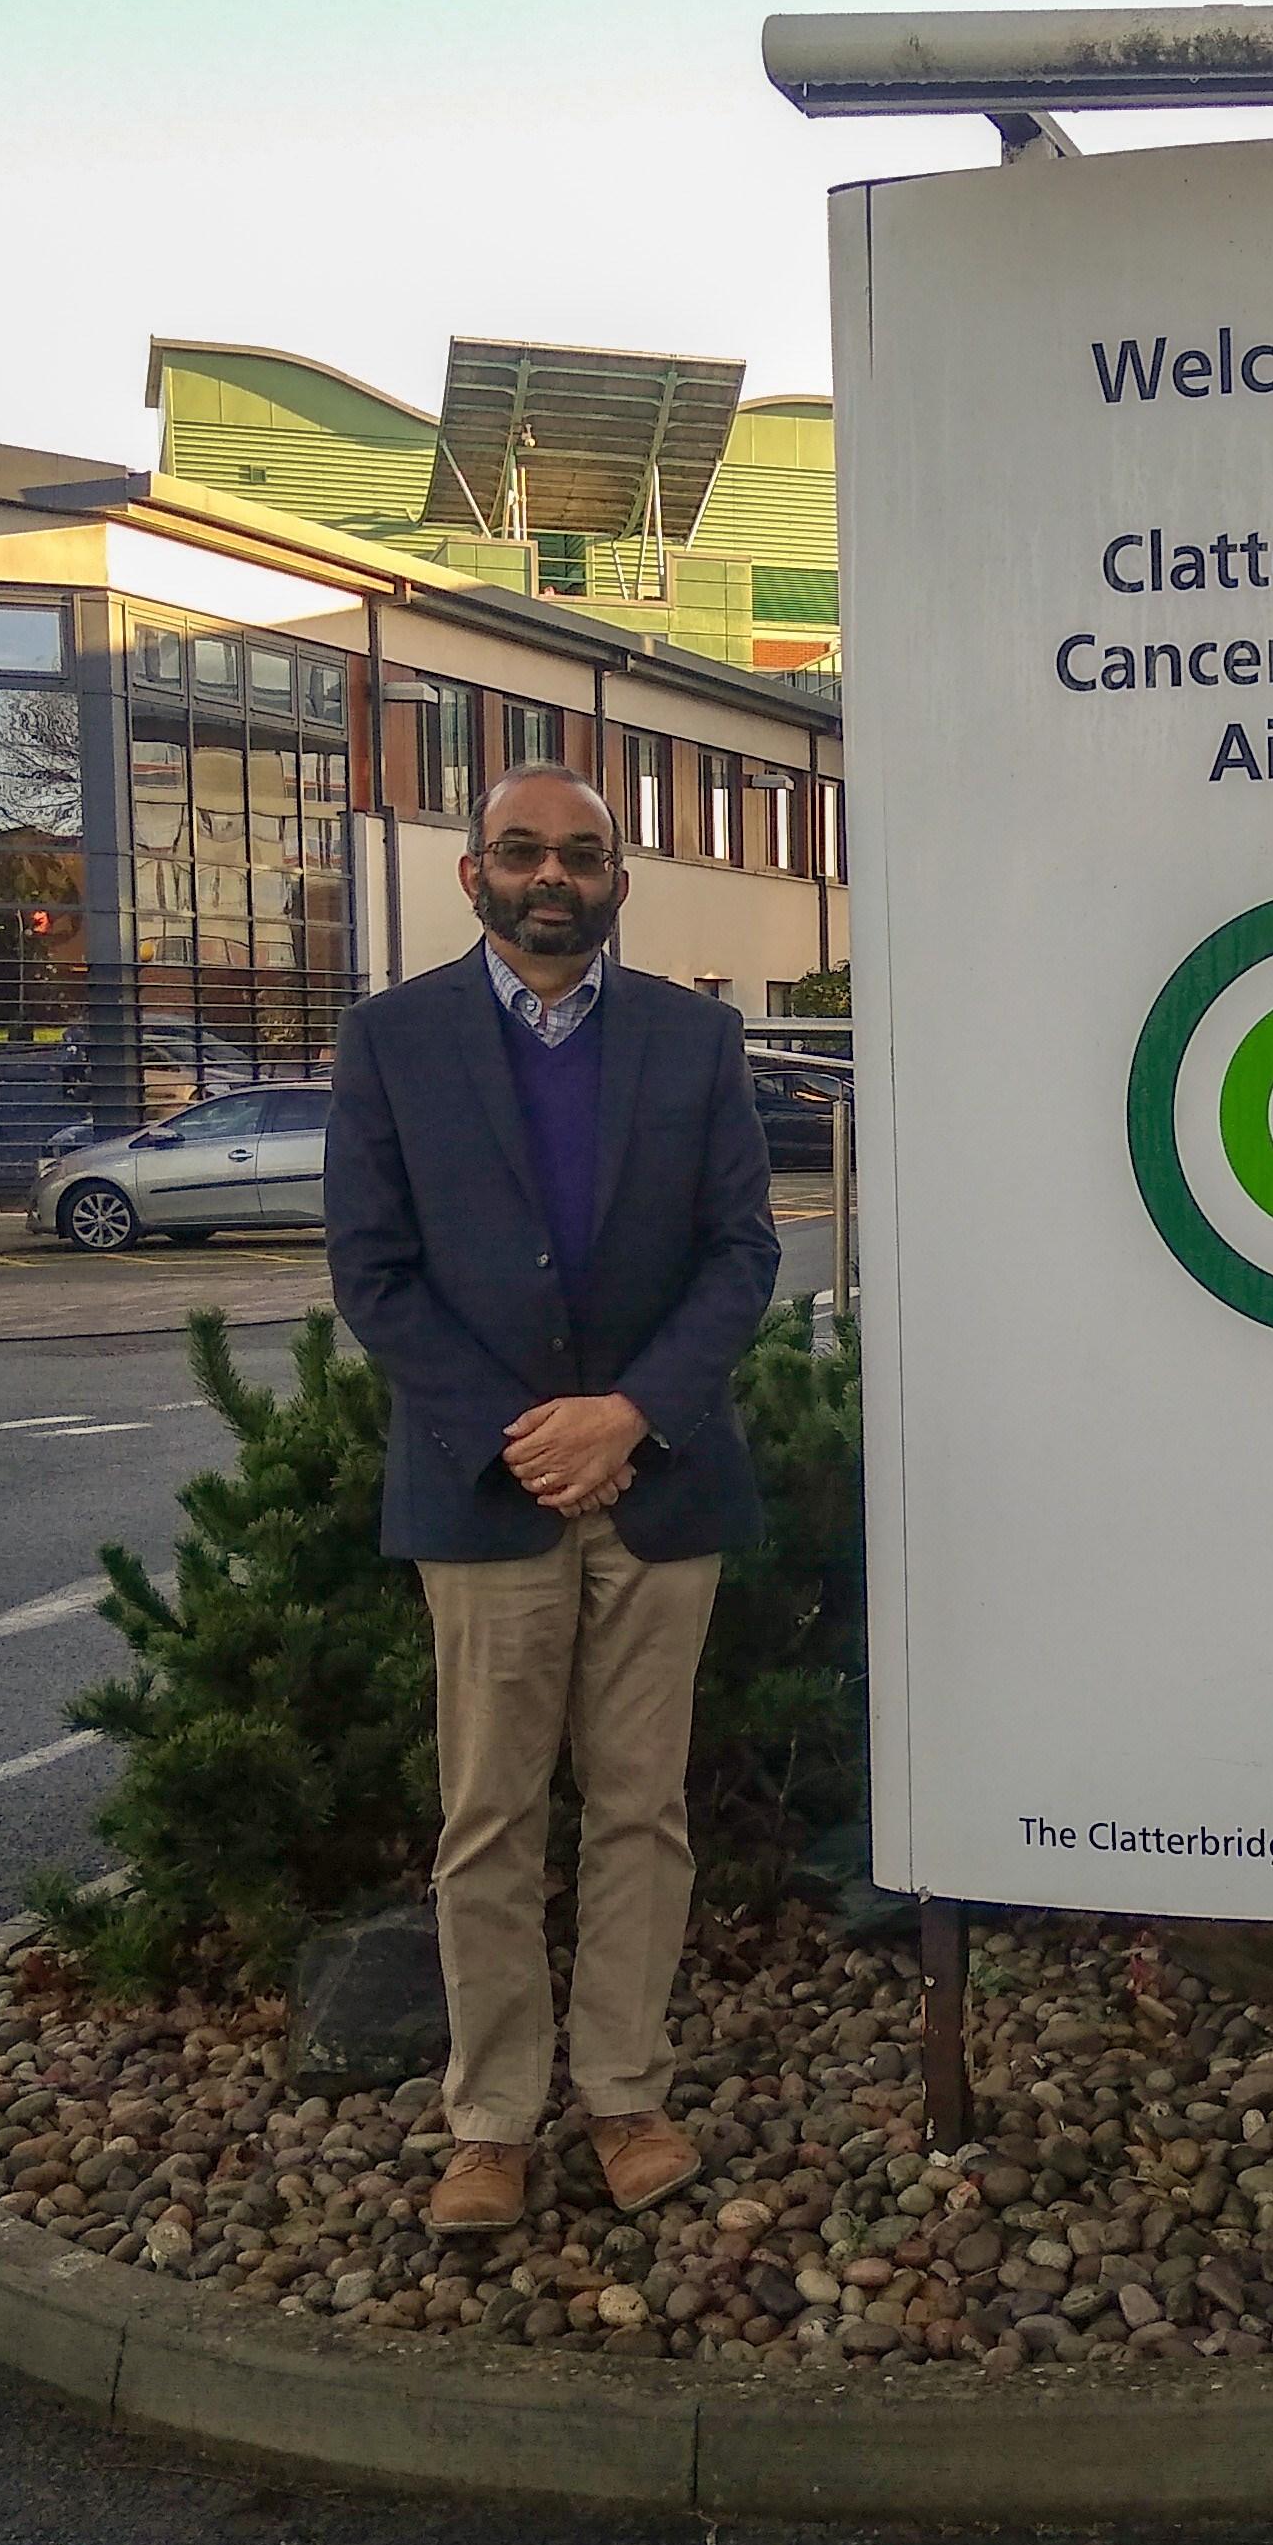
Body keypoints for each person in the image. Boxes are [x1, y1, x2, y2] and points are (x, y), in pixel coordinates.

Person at [324, 762, 781, 2238]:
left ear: (617, 880)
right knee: (489, 1817)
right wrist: (528, 1437)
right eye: (522, 851)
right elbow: (373, 1274)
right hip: (489, 1489)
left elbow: (741, 1257)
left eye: (581, 855)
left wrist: (633, 1413)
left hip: (660, 1483)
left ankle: (627, 2094)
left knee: (641, 1813)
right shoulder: (391, 1043)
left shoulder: (697, 1039)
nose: (552, 878)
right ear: (473, 875)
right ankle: (494, 2119)